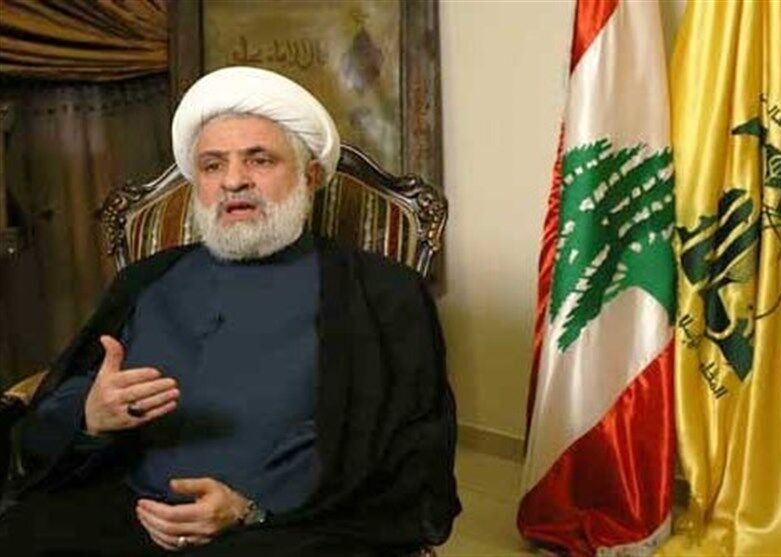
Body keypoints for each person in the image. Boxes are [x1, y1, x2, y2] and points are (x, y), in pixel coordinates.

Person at [0, 66, 459, 556]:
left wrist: (251, 507)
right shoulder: (148, 279)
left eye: (259, 159)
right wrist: (90, 415)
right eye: (212, 166)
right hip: (129, 508)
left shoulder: (383, 293)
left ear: (309, 176)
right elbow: (58, 408)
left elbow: (412, 458)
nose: (234, 181)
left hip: (286, 526)